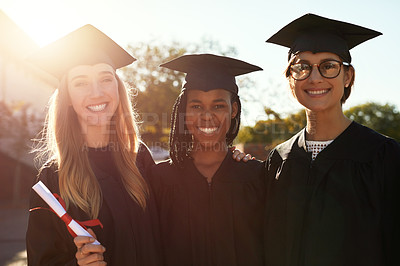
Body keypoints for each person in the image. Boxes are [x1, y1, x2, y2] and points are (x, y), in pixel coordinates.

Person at [264, 13, 400, 265]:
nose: (314, 77)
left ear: (347, 76)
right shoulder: (279, 160)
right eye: (301, 67)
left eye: (328, 66)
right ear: (290, 80)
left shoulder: (384, 156)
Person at [25, 24, 161, 265]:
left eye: (105, 79)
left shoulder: (139, 157)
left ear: (118, 90)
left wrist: (231, 162)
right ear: (67, 98)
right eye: (81, 83)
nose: (97, 92)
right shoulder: (52, 180)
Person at [149, 54, 265, 265]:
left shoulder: (256, 177)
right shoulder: (159, 179)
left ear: (234, 110)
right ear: (184, 111)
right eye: (196, 106)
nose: (206, 115)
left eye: (218, 106)